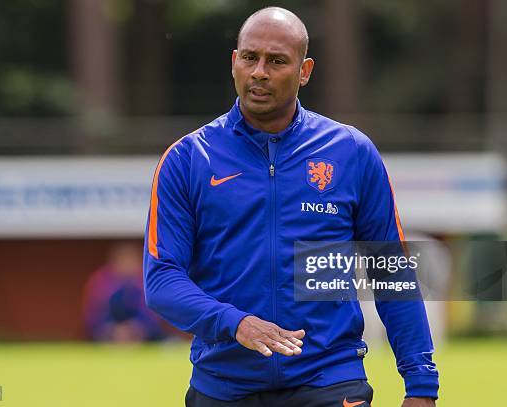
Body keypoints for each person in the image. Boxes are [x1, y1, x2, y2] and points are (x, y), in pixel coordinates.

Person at [144, 7, 438, 406]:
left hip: (330, 379)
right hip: (223, 385)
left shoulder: (351, 152)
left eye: (277, 61)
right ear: (234, 62)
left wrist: (420, 383)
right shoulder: (188, 159)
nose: (259, 72)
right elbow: (162, 280)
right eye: (250, 57)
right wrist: (236, 323)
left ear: (305, 71)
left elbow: (390, 272)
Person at [83, 242, 166, 342]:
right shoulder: (100, 280)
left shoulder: (147, 280)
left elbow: (154, 315)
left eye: (131, 260)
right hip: (106, 337)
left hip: (143, 336)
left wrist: (134, 328)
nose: (127, 264)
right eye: (123, 260)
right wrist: (112, 330)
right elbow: (93, 316)